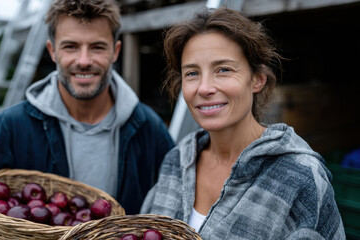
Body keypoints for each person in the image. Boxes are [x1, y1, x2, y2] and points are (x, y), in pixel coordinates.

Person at [0, 0, 174, 239]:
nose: (84, 60)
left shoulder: (147, 127)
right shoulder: (13, 125)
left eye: (98, 47)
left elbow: (175, 201)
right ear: (52, 51)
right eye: (71, 46)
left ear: (115, 51)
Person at [141, 8, 345, 240]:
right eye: (192, 73)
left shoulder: (300, 176)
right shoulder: (177, 161)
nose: (204, 87)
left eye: (224, 69)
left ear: (257, 79)